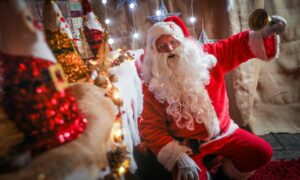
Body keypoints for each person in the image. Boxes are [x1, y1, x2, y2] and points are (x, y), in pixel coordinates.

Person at [138, 15, 286, 180]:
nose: (170, 49)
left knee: (261, 152)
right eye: (162, 46)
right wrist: (177, 155)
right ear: (154, 52)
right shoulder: (154, 85)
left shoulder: (208, 57)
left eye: (174, 42)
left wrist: (263, 33)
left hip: (223, 134)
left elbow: (237, 45)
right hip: (188, 146)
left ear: (183, 43)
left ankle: (224, 176)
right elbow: (150, 127)